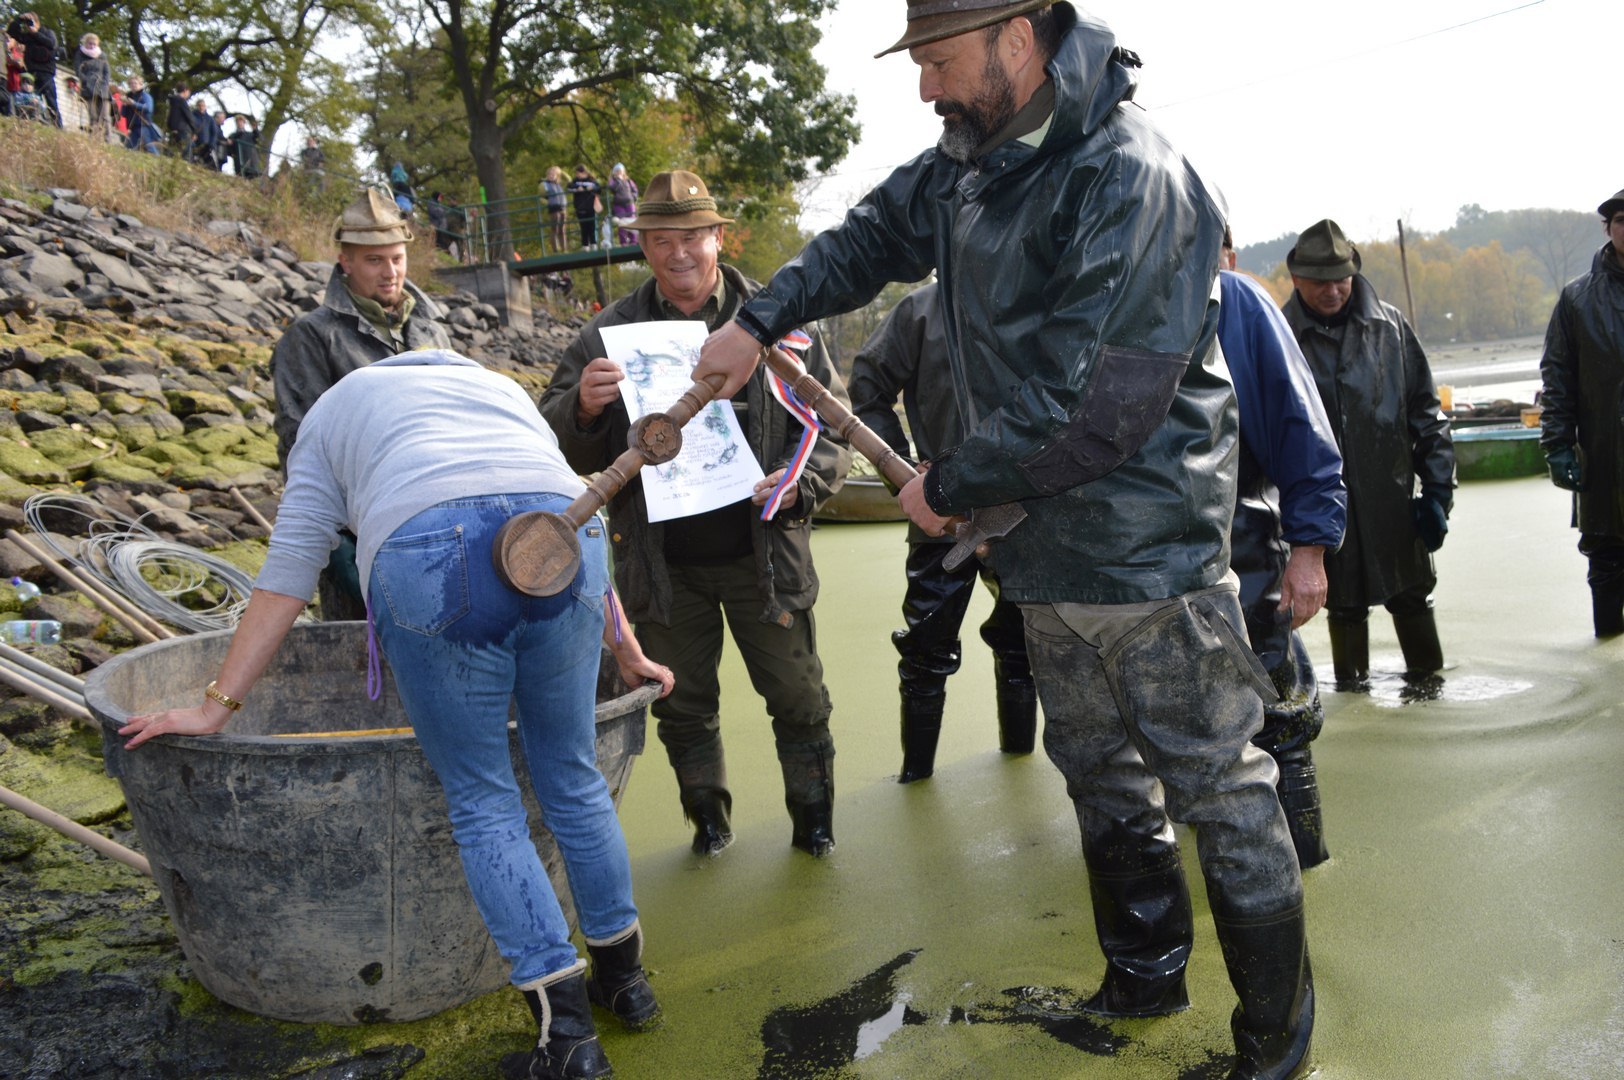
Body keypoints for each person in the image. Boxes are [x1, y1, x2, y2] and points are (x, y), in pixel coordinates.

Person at [692, 4, 1314, 1076]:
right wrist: (756, 319)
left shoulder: (1129, 175)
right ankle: (1145, 973)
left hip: (1146, 554)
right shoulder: (968, 161)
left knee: (1221, 784)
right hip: (1036, 550)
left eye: (936, 60)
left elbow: (1094, 403)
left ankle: (1273, 1043)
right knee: (1097, 772)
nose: (923, 86)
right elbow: (865, 241)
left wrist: (947, 482)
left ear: (1016, 41)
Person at [117, 349, 673, 1080]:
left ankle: (566, 1040)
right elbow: (556, 525)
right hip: (571, 536)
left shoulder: (326, 421)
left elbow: (287, 575)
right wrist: (625, 648)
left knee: (483, 803)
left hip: (434, 553)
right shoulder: (494, 388)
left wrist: (215, 707)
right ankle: (626, 987)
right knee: (572, 777)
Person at [539, 168, 851, 859]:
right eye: (659, 240)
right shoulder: (606, 333)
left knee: (799, 694)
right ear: (642, 247)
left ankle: (813, 820)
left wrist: (803, 484)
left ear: (718, 236)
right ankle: (707, 824)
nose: (677, 253)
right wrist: (583, 407)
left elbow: (832, 430)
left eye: (691, 237)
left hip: (765, 554)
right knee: (681, 702)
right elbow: (554, 437)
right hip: (661, 565)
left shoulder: (779, 318)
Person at [847, 282, 1037, 783]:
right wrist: (904, 471)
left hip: (1023, 510)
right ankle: (916, 772)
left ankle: (1020, 754)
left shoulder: (1033, 295)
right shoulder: (920, 310)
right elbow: (866, 385)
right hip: (939, 511)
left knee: (1023, 640)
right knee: (926, 644)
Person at [1217, 228, 1348, 869]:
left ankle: (1305, 861)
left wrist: (1311, 550)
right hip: (1137, 561)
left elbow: (1305, 436)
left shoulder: (1241, 304)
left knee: (1280, 714)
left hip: (1242, 537)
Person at [1281, 219, 1455, 689]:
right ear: (1296, 279)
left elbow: (1427, 413)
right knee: (1346, 606)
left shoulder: (1392, 327)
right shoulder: (1280, 338)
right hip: (1324, 509)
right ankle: (1353, 690)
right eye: (1320, 281)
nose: (1334, 290)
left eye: (1342, 278)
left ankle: (1429, 685)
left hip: (1394, 498)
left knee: (1412, 596)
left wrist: (1438, 490)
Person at [270, 188, 452, 621]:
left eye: (397, 258)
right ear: (345, 262)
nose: (390, 272)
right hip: (359, 544)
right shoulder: (310, 339)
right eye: (374, 261)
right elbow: (303, 454)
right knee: (369, 675)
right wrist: (349, 557)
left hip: (446, 535)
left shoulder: (435, 332)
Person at [1539, 188, 1624, 638]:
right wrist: (1557, 445)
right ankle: (1609, 641)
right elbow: (1557, 377)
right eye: (1622, 220)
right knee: (1606, 556)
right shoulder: (1577, 299)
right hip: (1603, 454)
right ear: (1608, 229)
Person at [6, 13, 59, 127]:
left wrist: (35, 32)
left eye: (30, 22)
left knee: (51, 101)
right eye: (27, 23)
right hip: (32, 73)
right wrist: (18, 20)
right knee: (32, 99)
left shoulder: (47, 32)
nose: (28, 25)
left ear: (37, 22)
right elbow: (13, 33)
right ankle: (33, 124)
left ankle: (57, 126)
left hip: (46, 72)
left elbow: (52, 44)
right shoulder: (28, 36)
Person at [73, 33, 111, 143]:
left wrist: (104, 83)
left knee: (105, 116)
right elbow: (78, 70)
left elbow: (107, 72)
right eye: (90, 43)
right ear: (86, 43)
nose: (92, 46)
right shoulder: (80, 55)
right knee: (93, 115)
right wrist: (86, 80)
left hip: (102, 89)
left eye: (94, 44)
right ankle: (95, 138)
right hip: (88, 88)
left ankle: (107, 139)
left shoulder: (102, 56)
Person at [122, 77, 160, 154]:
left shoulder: (145, 96)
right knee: (128, 148)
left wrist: (134, 104)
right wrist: (124, 105)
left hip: (143, 125)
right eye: (131, 83)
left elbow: (149, 108)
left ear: (140, 84)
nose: (133, 85)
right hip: (133, 127)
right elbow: (124, 114)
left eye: (135, 83)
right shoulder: (129, 96)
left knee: (149, 146)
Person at [567, 165, 601, 250]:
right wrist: (577, 188)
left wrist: (592, 188)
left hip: (590, 207)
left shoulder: (592, 180)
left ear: (585, 173)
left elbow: (599, 188)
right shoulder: (575, 181)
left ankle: (593, 243)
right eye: (577, 173)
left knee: (592, 226)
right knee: (583, 227)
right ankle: (585, 245)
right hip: (580, 207)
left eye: (580, 173)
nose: (578, 175)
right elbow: (569, 187)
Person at [607, 164, 639, 246]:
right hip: (618, 204)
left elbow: (635, 190)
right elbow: (611, 187)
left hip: (629, 203)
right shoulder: (613, 181)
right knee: (621, 223)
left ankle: (633, 241)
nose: (619, 172)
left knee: (632, 221)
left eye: (620, 171)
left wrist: (633, 197)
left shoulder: (628, 181)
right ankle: (623, 242)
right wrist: (617, 180)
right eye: (617, 171)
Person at [165, 84, 195, 161]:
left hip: (173, 128)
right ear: (185, 91)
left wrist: (172, 127)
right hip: (183, 129)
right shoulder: (181, 101)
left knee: (171, 150)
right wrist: (194, 130)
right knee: (186, 152)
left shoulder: (172, 101)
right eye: (188, 92)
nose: (188, 95)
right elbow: (189, 116)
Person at [542, 166, 568, 253]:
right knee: (555, 228)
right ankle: (555, 250)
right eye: (550, 174)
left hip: (562, 207)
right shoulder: (545, 184)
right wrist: (547, 203)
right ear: (547, 175)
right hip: (553, 208)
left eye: (554, 174)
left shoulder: (559, 184)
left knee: (562, 229)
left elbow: (569, 180)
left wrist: (560, 171)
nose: (552, 176)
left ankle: (564, 249)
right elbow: (541, 196)